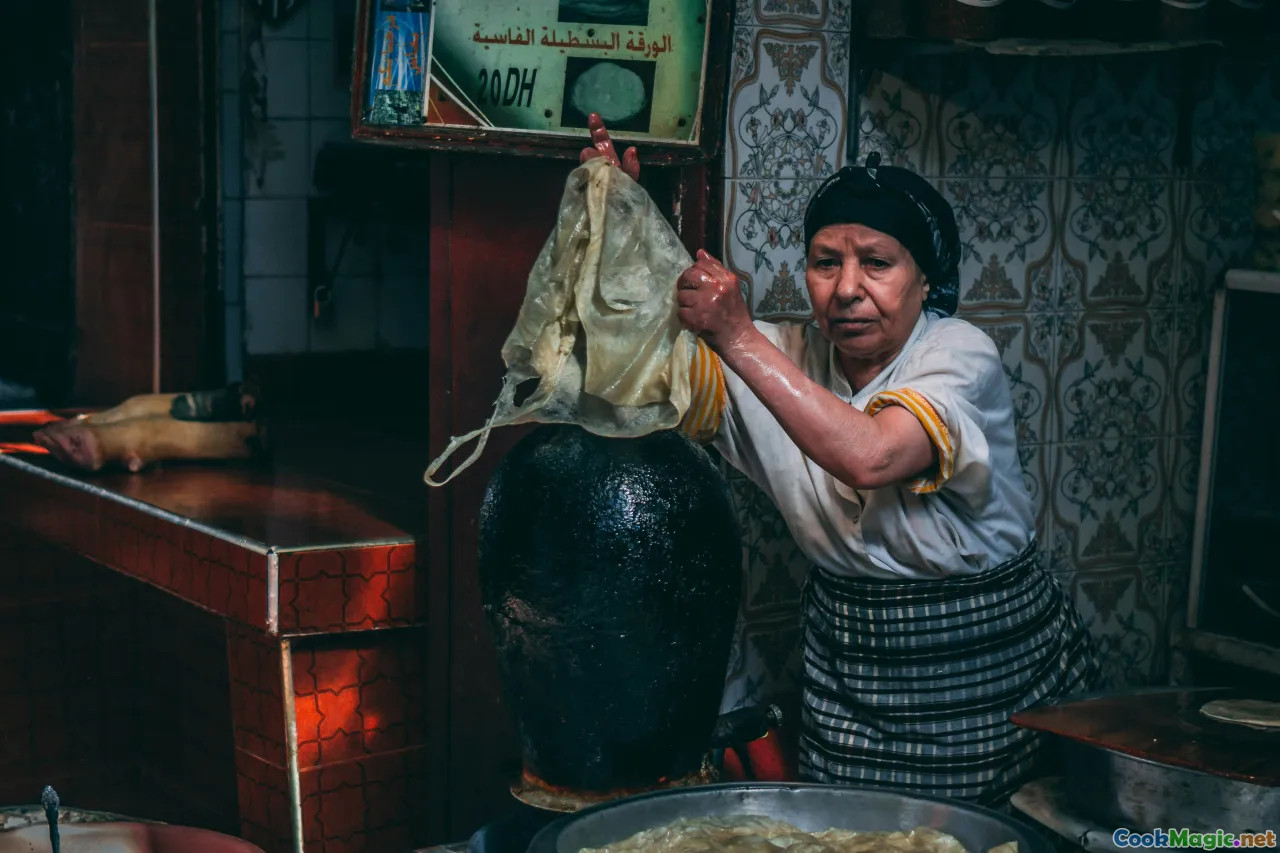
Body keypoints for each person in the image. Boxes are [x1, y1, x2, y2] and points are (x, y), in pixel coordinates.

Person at [580, 114, 1100, 807]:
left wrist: (736, 335)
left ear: (924, 281)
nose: (847, 287)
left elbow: (872, 454)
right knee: (851, 833)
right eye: (826, 261)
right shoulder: (780, 353)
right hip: (851, 683)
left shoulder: (958, 356)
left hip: (984, 678)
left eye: (877, 263)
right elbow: (640, 355)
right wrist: (622, 227)